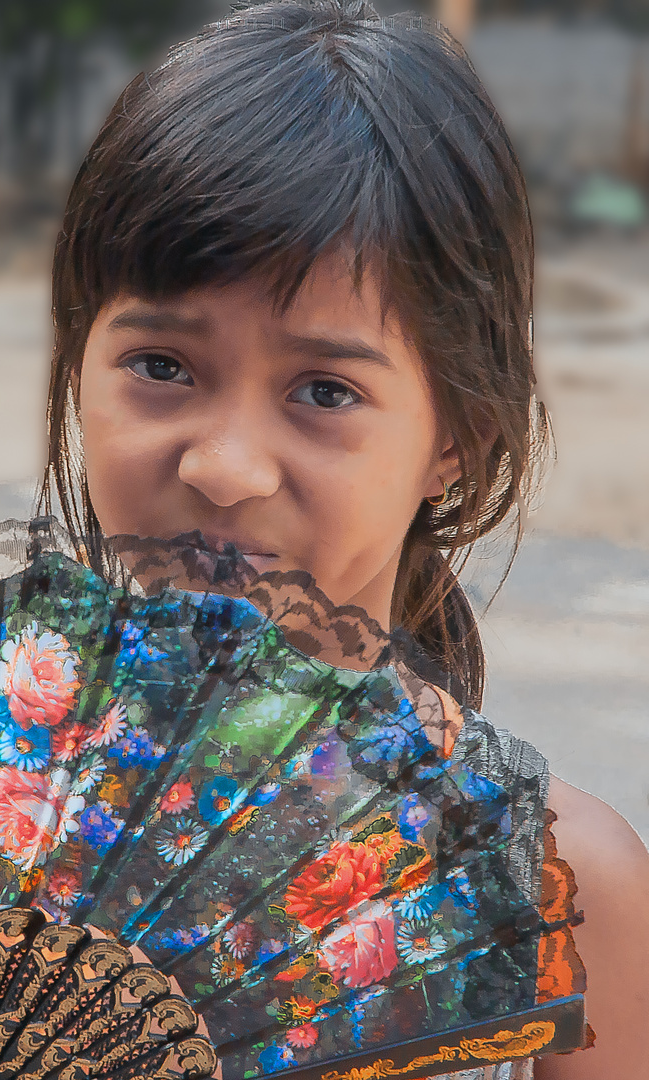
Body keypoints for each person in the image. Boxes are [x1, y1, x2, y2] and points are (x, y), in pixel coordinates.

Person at [39, 2, 649, 1076]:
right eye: (163, 366)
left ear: (456, 436)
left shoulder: (561, 890)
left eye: (323, 389)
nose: (223, 464)